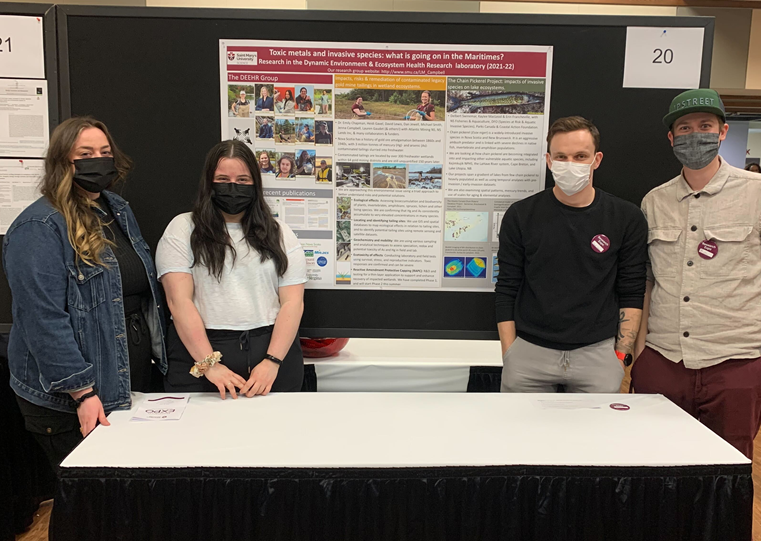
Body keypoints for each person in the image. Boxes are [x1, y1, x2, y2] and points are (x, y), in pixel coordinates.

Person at [2, 117, 167, 469]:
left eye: (105, 152)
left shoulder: (116, 209)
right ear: (63, 161)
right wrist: (83, 391)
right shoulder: (39, 227)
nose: (99, 160)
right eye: (86, 153)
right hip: (71, 399)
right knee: (91, 506)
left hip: (124, 381)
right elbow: (42, 319)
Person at [633, 89, 761, 459]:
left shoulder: (754, 193)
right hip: (664, 361)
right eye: (684, 128)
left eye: (705, 126)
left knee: (728, 471)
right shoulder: (654, 201)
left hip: (735, 362)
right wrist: (640, 353)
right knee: (656, 464)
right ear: (672, 139)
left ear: (722, 132)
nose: (695, 136)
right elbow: (647, 280)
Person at [496, 116, 647, 393]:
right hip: (529, 353)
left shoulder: (627, 217)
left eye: (580, 156)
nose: (570, 164)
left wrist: (621, 356)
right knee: (520, 435)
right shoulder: (521, 215)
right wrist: (510, 352)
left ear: (596, 159)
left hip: (598, 356)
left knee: (593, 436)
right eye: (561, 156)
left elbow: (632, 290)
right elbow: (507, 286)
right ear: (549, 160)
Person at [157, 140, 306, 398]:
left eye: (243, 180)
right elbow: (178, 302)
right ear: (209, 183)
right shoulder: (182, 230)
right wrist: (209, 365)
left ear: (255, 185)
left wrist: (272, 362)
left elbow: (293, 303)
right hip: (200, 356)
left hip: (273, 355)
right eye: (223, 179)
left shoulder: (281, 233)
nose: (233, 187)